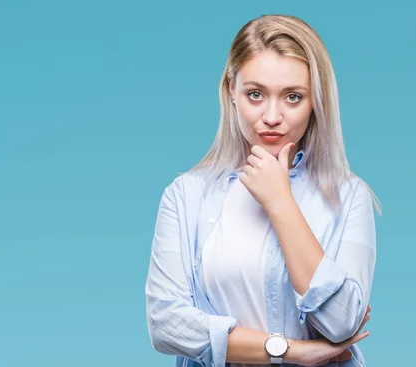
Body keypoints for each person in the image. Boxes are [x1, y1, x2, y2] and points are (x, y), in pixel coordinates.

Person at [144, 14, 381, 367]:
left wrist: (281, 202)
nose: (272, 116)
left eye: (292, 97)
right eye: (255, 94)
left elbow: (341, 323)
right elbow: (166, 325)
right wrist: (290, 350)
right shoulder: (186, 196)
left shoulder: (348, 196)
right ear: (231, 90)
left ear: (315, 100)